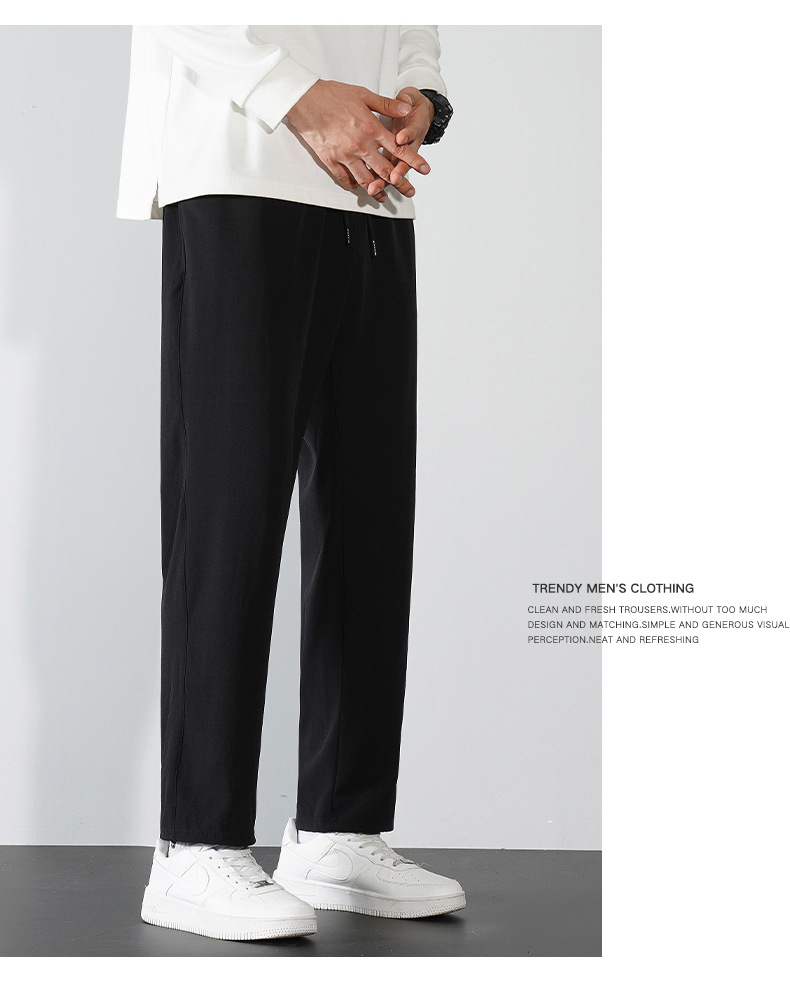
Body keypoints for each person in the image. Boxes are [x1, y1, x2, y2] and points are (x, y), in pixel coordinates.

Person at [116, 25, 460, 942]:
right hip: (242, 162)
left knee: (369, 516)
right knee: (227, 511)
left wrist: (420, 100)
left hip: (372, 192)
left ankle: (340, 828)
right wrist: (296, 94)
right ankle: (194, 846)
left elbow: (412, 24)